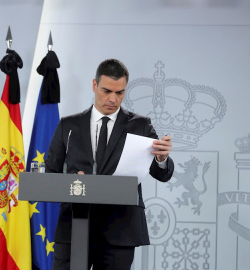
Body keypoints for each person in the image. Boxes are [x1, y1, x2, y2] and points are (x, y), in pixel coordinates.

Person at [45, 59, 174, 270]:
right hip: (74, 228)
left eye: (120, 93)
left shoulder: (140, 125)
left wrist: (161, 159)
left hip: (120, 229)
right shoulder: (68, 125)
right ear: (94, 85)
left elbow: (162, 174)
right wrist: (73, 182)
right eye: (106, 91)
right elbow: (50, 173)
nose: (113, 99)